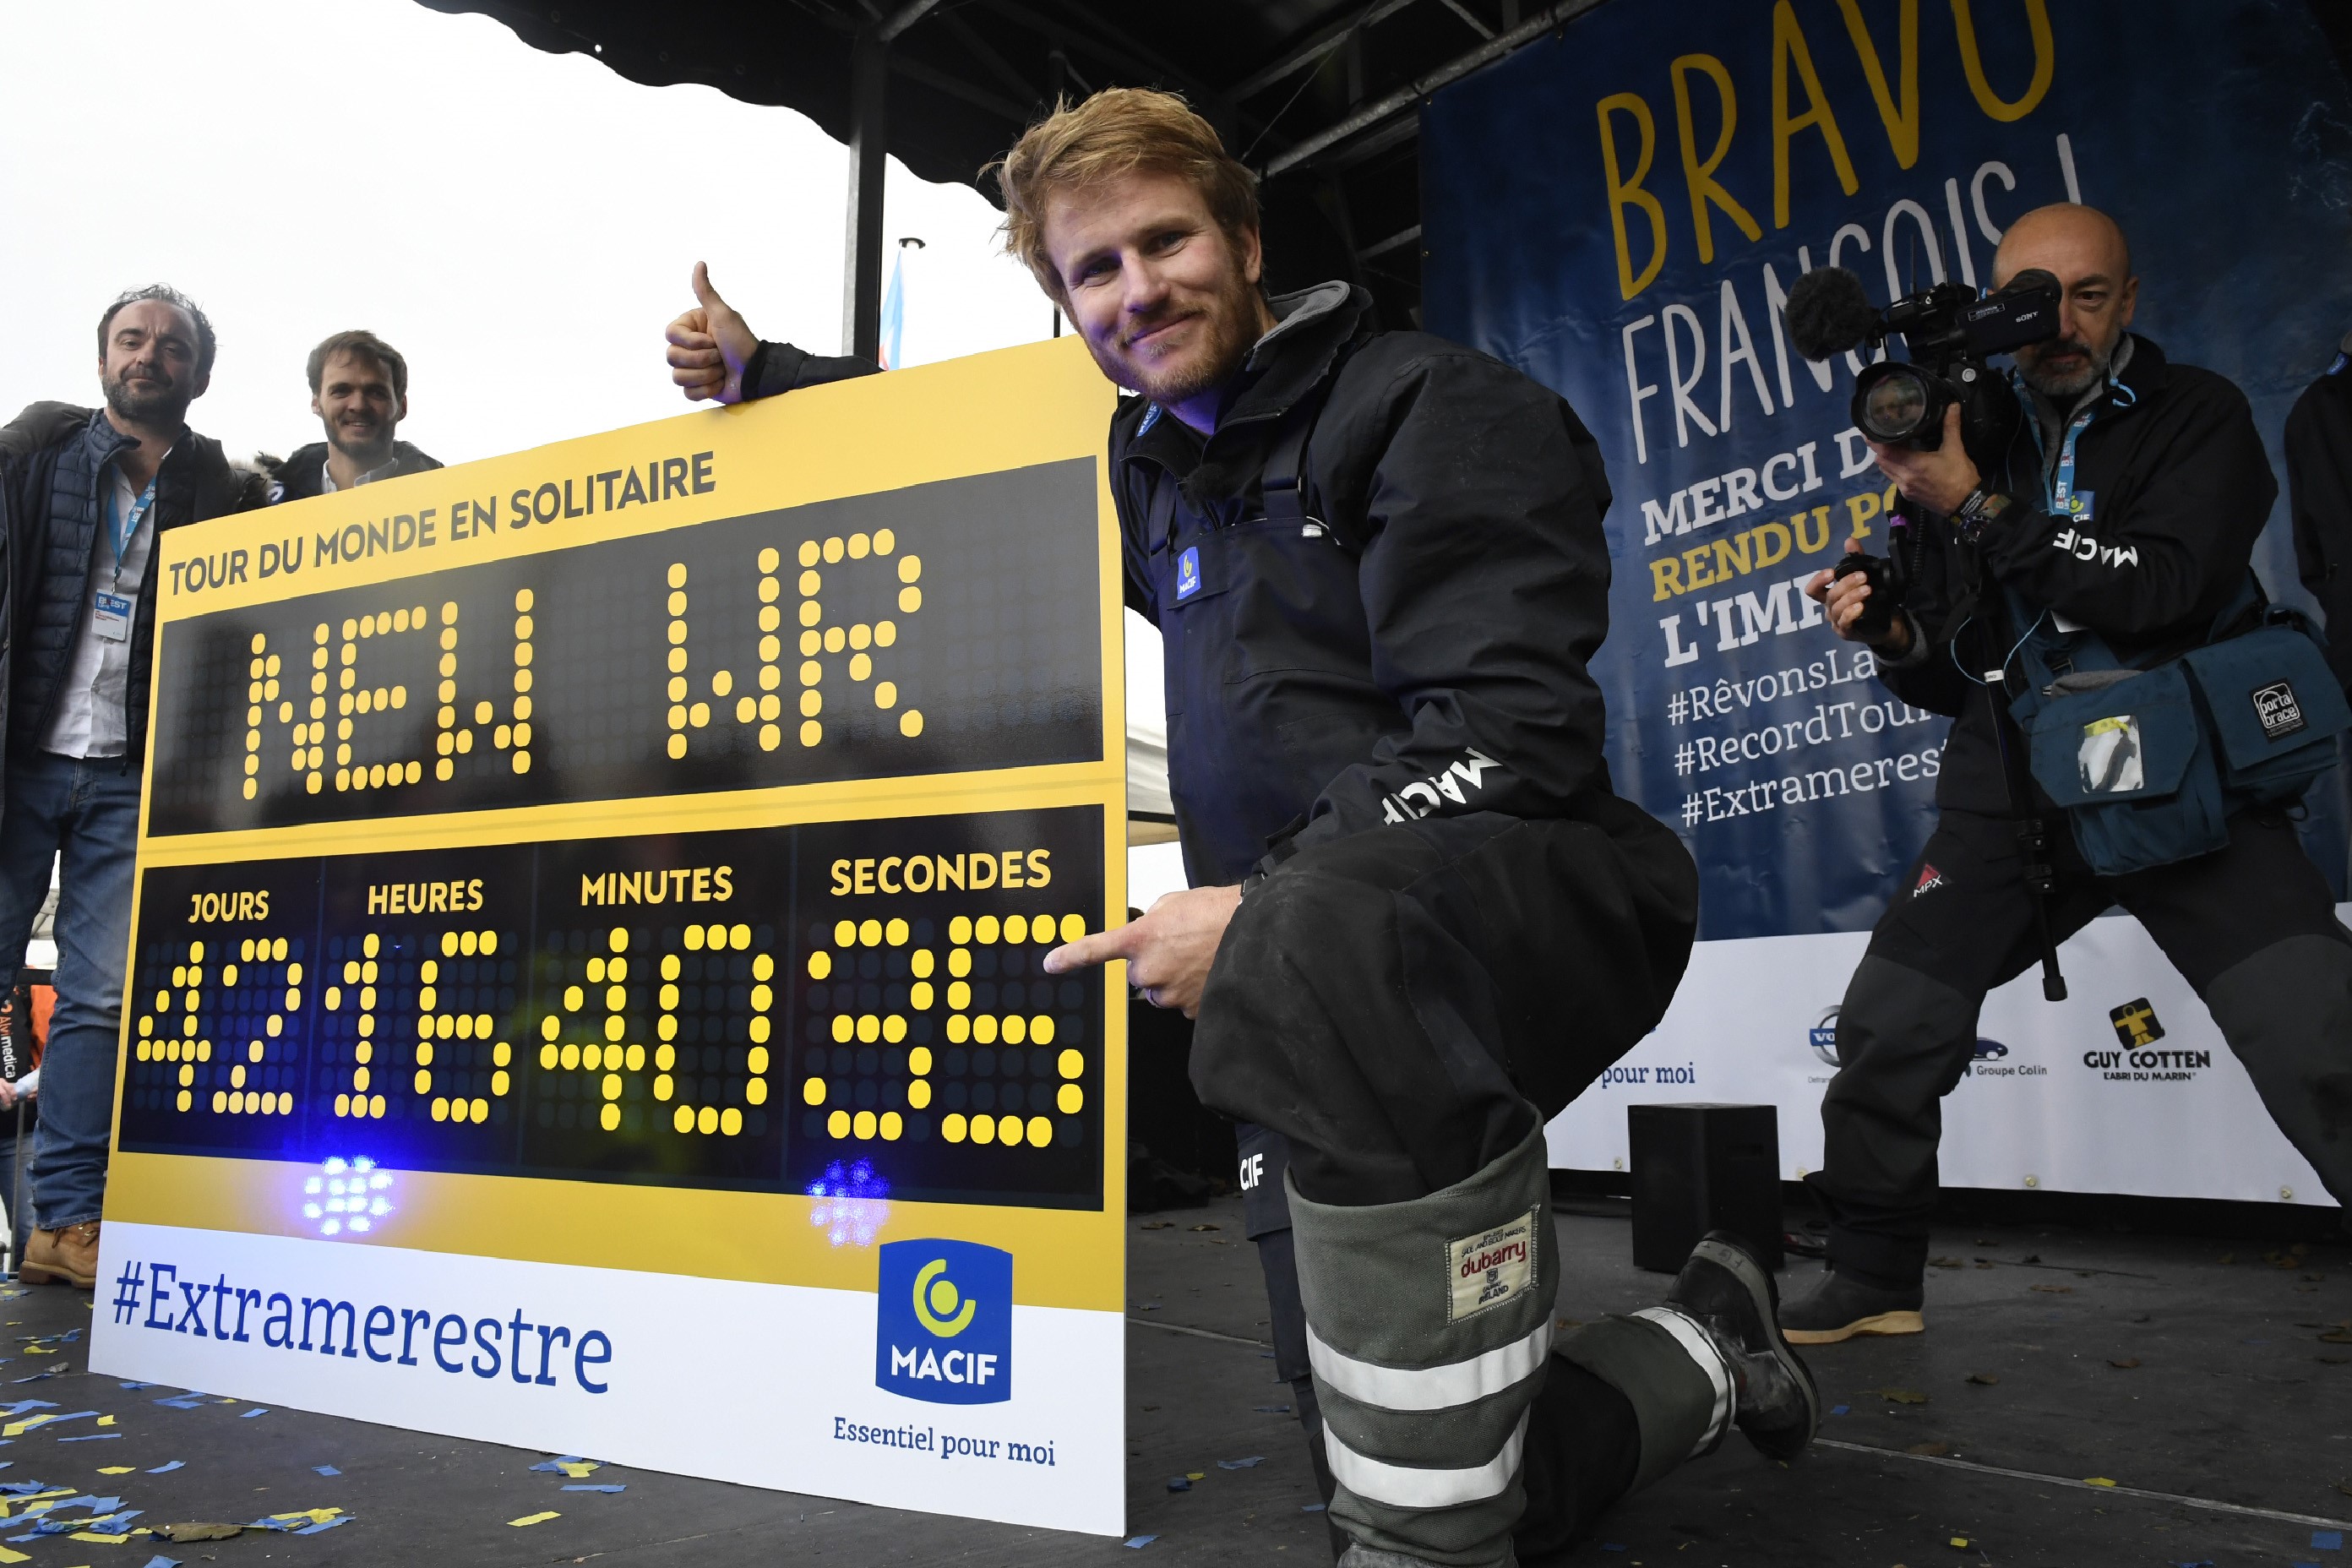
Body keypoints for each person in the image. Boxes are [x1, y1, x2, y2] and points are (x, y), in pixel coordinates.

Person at [667, 90, 1817, 1567]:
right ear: (1065, 308)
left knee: (1412, 1491)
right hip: (1301, 970)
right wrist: (774, 371)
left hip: (1525, 898)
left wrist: (1264, 908)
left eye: (1164, 240)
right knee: (1403, 1449)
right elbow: (954, 467)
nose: (1135, 289)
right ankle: (1713, 1344)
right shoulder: (1143, 462)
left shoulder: (1428, 408)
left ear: (1246, 238)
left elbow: (1508, 735)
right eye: (1092, 270)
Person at [1788, 204, 2352, 1343]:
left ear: (2127, 302)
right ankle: (1875, 1276)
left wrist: (1981, 508)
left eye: (2085, 296)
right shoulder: (1965, 437)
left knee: (2321, 1035)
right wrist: (1891, 635)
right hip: (2018, 792)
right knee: (1888, 1029)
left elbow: (2161, 587)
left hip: (2184, 786)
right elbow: (1956, 668)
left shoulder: (2201, 414)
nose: (2057, 323)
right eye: (2030, 301)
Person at [0, 285, 270, 1290]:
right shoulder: (37, 456)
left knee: (102, 1002)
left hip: (131, 776)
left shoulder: (225, 489)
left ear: (198, 374)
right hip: (20, 758)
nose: (148, 355)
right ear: (103, 355)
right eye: (131, 338)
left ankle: (63, 1222)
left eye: (170, 345)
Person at [264, 329, 440, 502]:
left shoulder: (446, 502)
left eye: (376, 392)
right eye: (341, 391)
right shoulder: (259, 507)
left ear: (402, 406)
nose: (358, 405)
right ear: (316, 403)